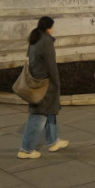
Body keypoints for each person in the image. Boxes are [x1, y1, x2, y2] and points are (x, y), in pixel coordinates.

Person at [18, 16, 68, 159]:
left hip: (37, 80)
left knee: (49, 111)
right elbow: (51, 66)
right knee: (39, 116)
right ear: (49, 28)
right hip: (45, 83)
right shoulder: (46, 42)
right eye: (52, 27)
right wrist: (57, 83)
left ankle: (54, 141)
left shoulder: (35, 38)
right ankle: (26, 149)